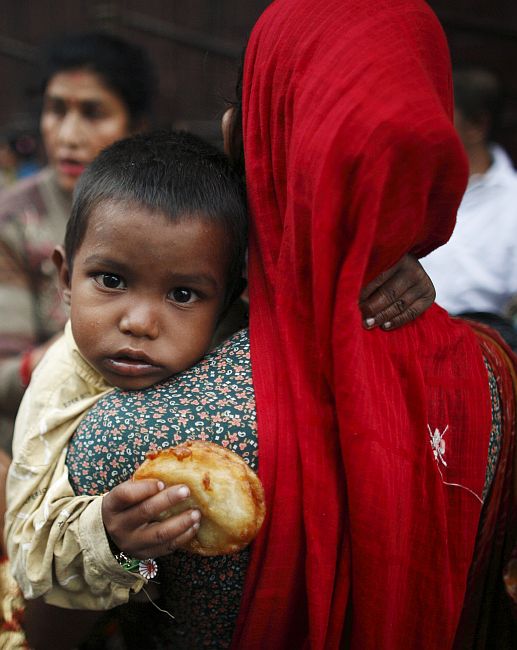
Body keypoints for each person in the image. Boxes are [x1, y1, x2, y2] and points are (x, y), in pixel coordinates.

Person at [8, 2, 517, 649]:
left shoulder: (151, 441)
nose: (138, 320)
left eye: (184, 293)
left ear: (248, 138)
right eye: (110, 280)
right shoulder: (496, 376)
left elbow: (49, 633)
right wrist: (392, 251)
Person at [0, 31, 156, 452]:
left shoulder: (165, 213)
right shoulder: (14, 220)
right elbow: (2, 378)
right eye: (56, 110)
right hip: (40, 434)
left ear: (135, 125)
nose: (68, 134)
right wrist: (75, 346)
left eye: (93, 113)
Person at [421, 68, 517, 350]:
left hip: (477, 348)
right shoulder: (412, 182)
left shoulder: (512, 201)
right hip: (400, 335)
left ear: (477, 126)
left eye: (442, 115)